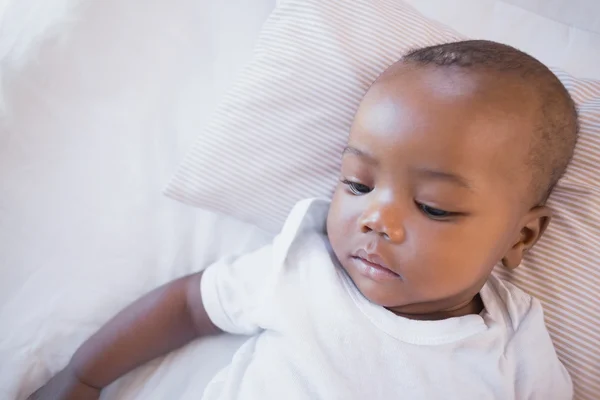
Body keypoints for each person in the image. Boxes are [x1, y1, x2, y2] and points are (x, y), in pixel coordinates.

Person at [28, 40, 578, 400]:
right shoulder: (305, 266)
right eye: (357, 184)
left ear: (521, 236)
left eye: (433, 206)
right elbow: (190, 305)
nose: (376, 218)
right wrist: (83, 376)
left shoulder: (511, 341)